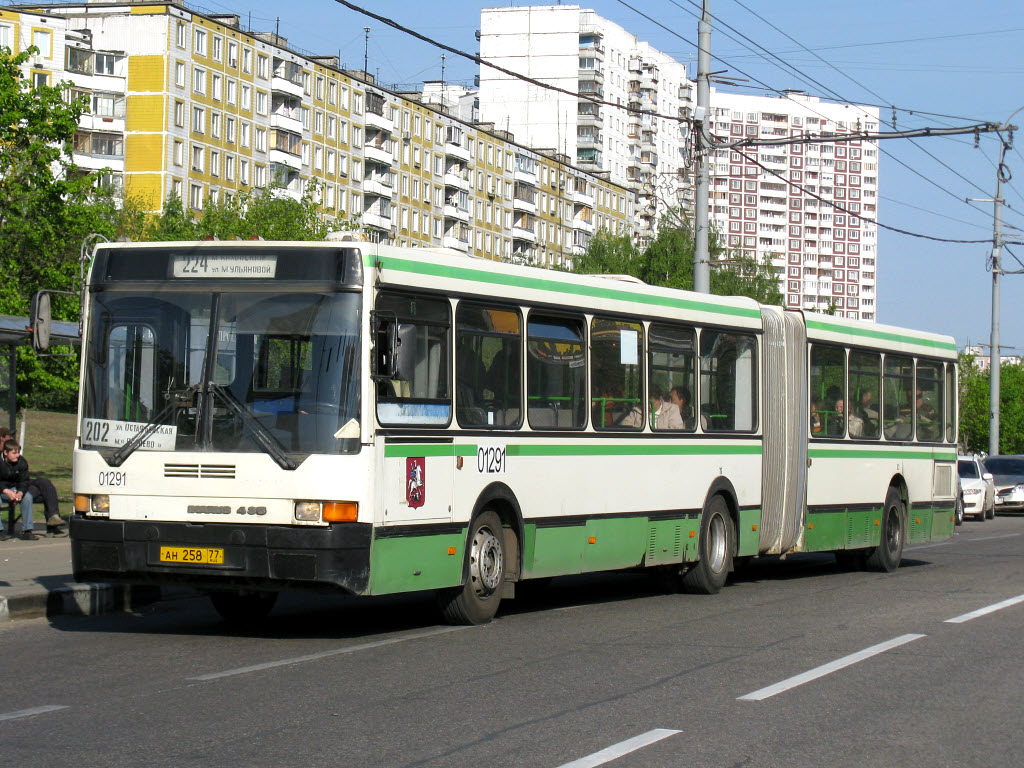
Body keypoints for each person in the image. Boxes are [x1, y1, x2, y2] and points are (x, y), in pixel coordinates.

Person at [0, 438, 65, 540]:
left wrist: (20, 492)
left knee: (31, 494)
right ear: (5, 452)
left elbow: (24, 480)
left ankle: (28, 531)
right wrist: (6, 491)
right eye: (14, 453)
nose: (18, 455)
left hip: (16, 488)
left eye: (18, 452)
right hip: (3, 490)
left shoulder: (21, 462)